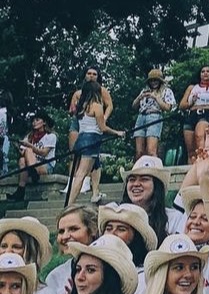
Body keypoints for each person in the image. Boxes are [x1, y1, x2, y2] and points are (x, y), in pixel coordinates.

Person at [64, 78, 123, 207]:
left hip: (80, 139)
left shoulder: (81, 106)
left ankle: (95, 192)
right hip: (92, 139)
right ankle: (69, 205)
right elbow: (102, 128)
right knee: (81, 174)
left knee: (94, 166)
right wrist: (117, 132)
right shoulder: (96, 106)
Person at [131, 69, 176, 161]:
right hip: (141, 116)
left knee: (151, 151)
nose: (153, 82)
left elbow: (167, 108)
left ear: (160, 81)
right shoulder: (144, 90)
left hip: (154, 116)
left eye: (156, 80)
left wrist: (155, 97)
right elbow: (134, 106)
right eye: (151, 80)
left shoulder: (166, 91)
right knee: (139, 152)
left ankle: (153, 171)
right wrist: (140, 97)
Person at [16, 113, 57, 197]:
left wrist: (30, 146)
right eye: (33, 121)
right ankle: (21, 189)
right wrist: (18, 147)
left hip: (45, 165)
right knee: (22, 160)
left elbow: (44, 153)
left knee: (28, 149)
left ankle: (32, 170)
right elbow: (23, 153)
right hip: (31, 165)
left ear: (44, 122)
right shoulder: (29, 136)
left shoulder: (51, 136)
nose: (34, 122)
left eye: (37, 120)